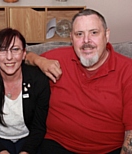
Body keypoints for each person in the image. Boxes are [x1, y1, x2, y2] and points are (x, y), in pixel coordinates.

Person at [25, 9, 132, 153]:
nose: (86, 41)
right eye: (79, 34)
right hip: (57, 145)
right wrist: (39, 60)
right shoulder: (58, 58)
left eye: (94, 33)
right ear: (71, 38)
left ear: (106, 35)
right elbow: (22, 55)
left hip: (108, 149)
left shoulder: (127, 70)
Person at [0, 28, 50, 154]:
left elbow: (39, 127)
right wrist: (0, 151)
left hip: (28, 139)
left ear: (24, 53)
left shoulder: (38, 80)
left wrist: (26, 151)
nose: (9, 57)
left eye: (15, 49)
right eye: (2, 50)